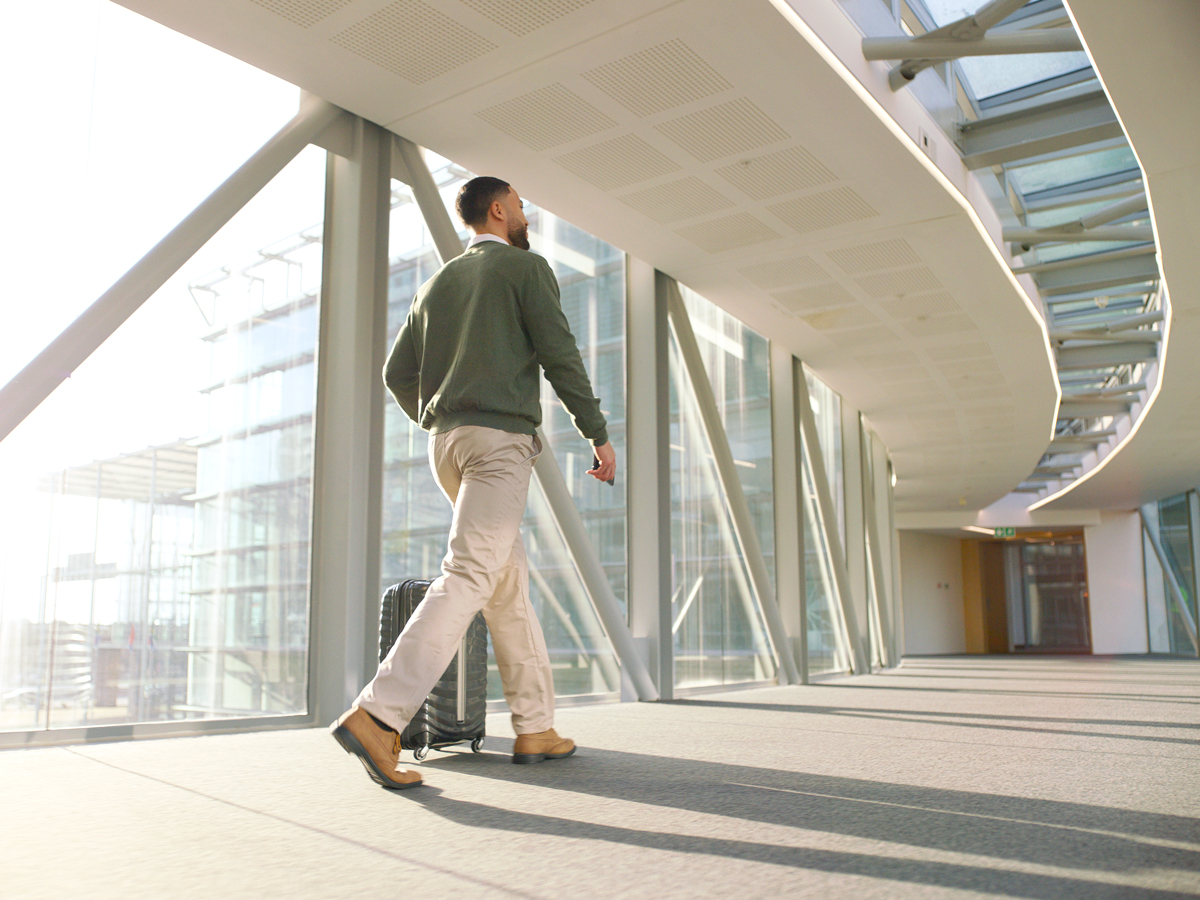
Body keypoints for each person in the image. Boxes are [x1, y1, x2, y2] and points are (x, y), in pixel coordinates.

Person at [331, 176, 617, 789]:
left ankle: (536, 726)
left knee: (504, 583)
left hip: (449, 447)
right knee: (468, 574)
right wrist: (597, 433)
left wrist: (441, 417)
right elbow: (560, 354)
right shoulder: (523, 269)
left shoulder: (436, 284)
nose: (524, 211)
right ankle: (379, 718)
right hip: (497, 448)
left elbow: (395, 373)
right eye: (518, 203)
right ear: (497, 209)